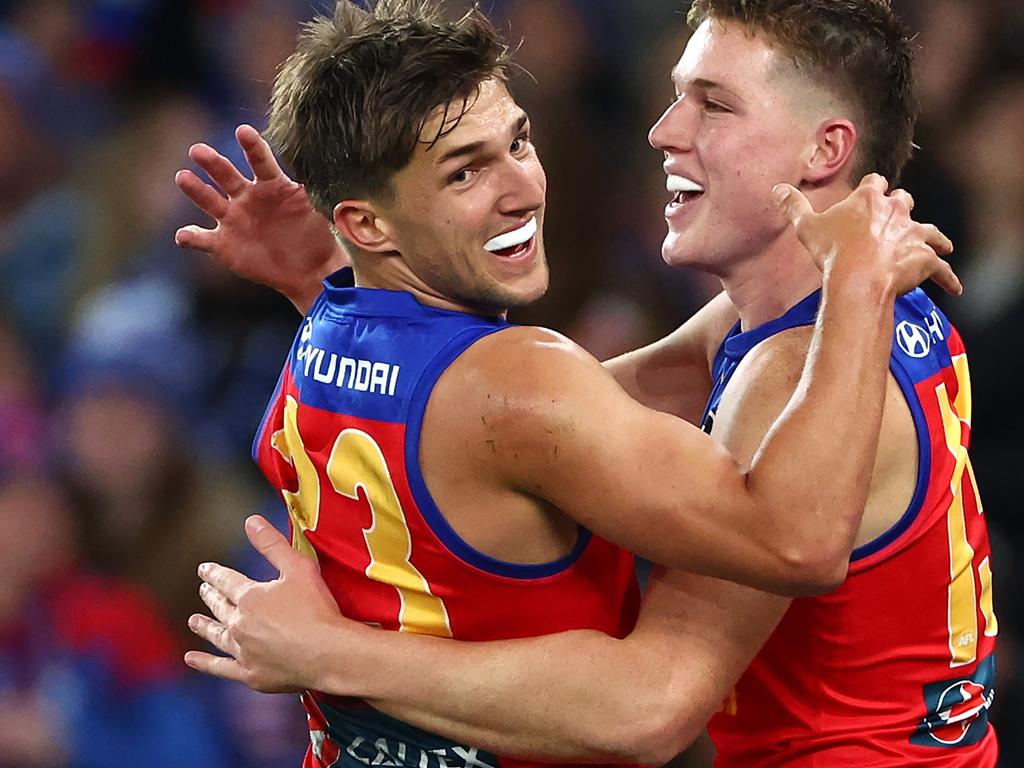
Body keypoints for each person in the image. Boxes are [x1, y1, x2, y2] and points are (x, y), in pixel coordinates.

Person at [175, 0, 971, 765]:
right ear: (365, 223)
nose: (662, 132)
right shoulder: (802, 319)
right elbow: (532, 423)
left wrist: (332, 655)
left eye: (714, 106)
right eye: (464, 172)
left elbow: (660, 695)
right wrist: (344, 280)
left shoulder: (799, 368)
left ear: (824, 151)